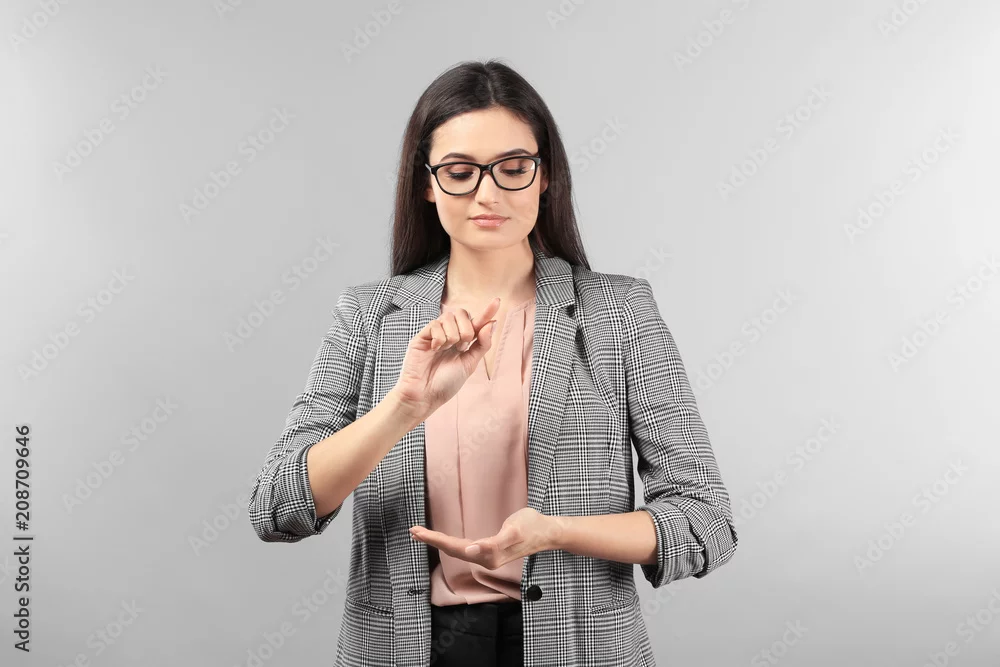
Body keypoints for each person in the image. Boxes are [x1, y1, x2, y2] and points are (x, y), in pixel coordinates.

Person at [248, 59, 739, 667]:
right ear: (426, 184)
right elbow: (277, 508)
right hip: (407, 648)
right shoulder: (370, 316)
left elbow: (705, 522)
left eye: (513, 168)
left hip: (577, 648)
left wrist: (556, 532)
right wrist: (402, 408)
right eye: (460, 172)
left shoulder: (618, 313)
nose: (488, 194)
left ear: (545, 176)